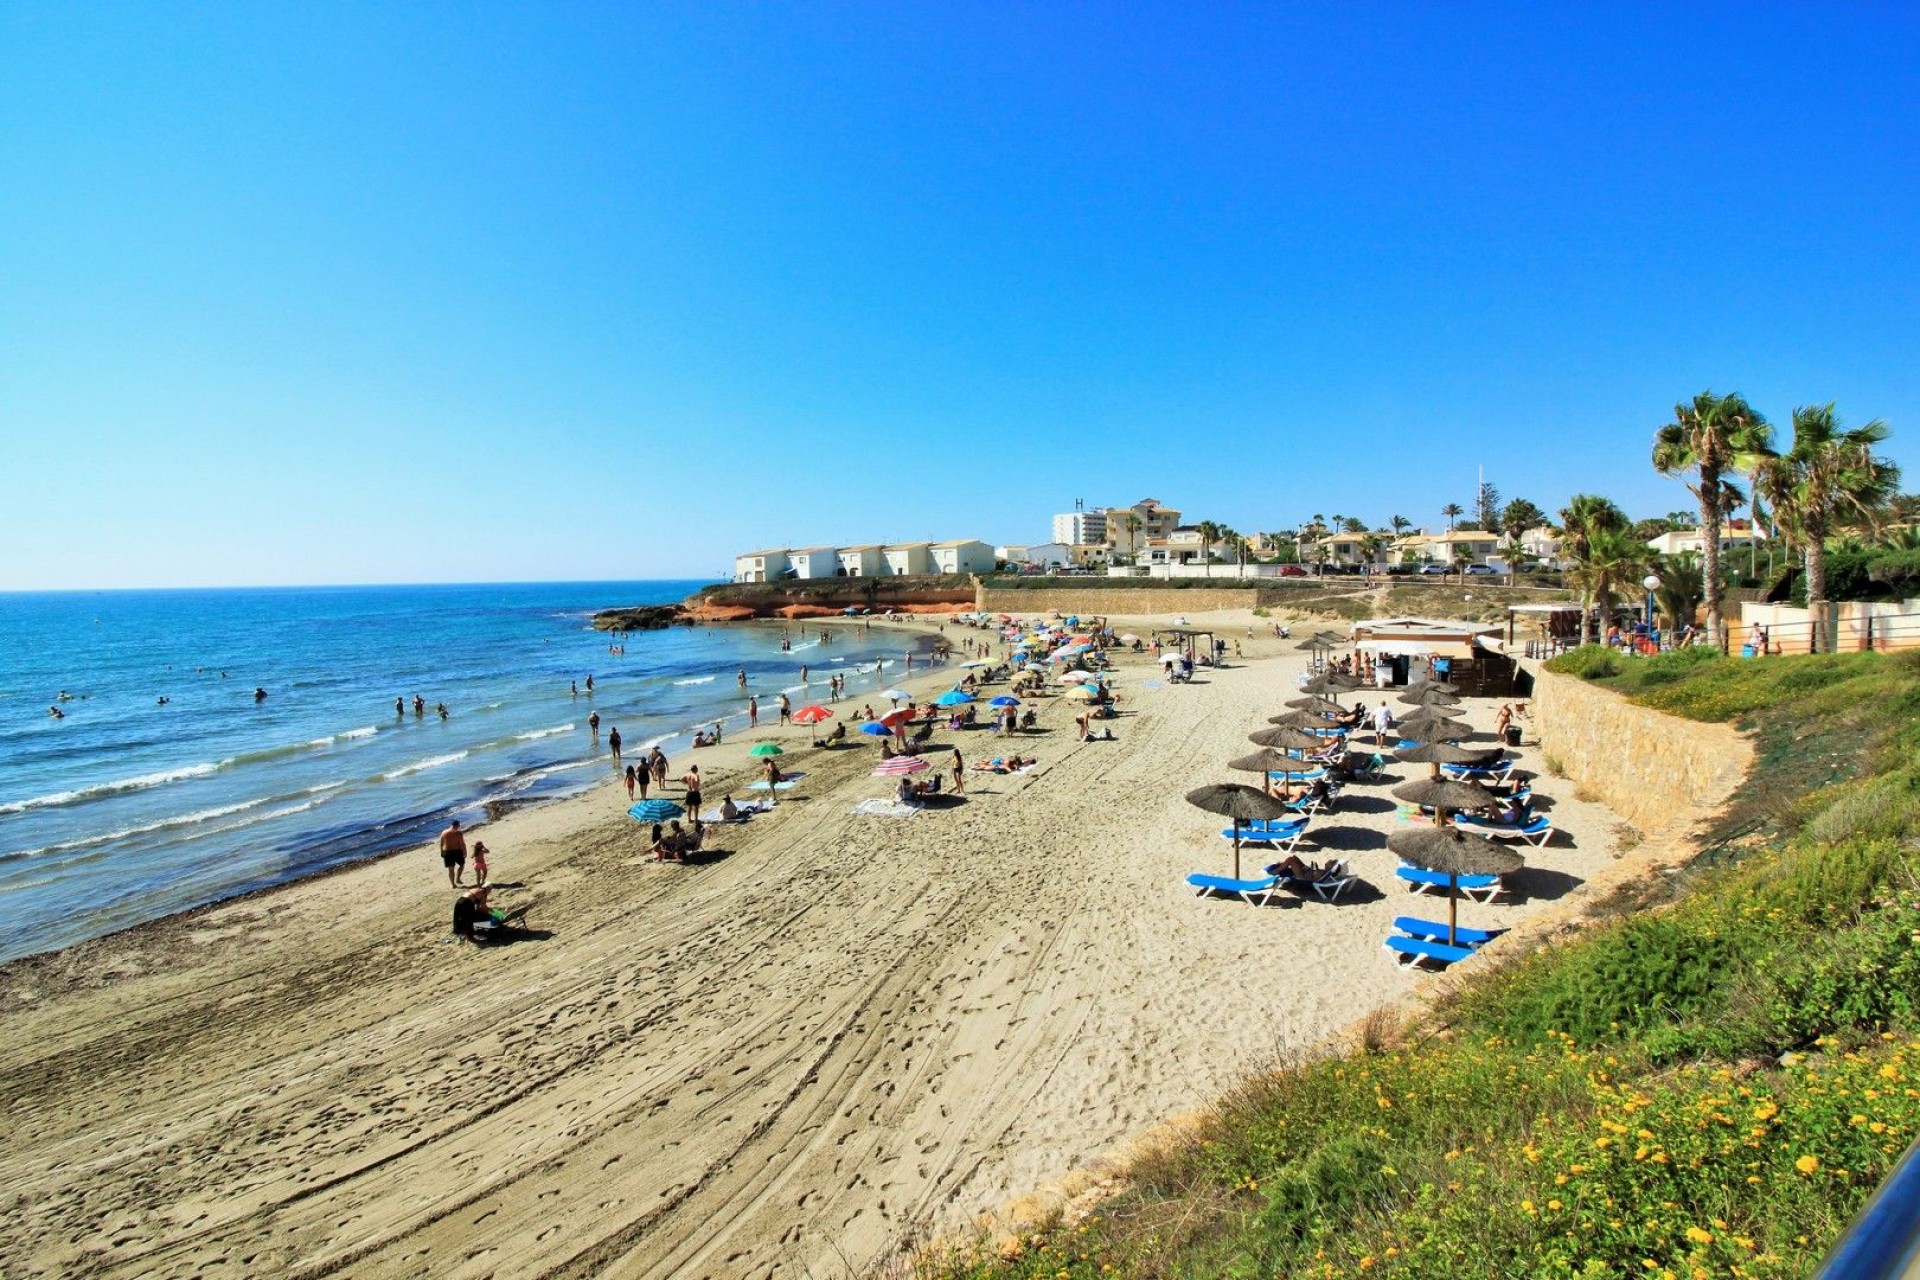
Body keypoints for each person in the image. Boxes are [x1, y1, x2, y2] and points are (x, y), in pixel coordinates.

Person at [438, 819, 468, 888]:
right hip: (456, 851)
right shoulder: (458, 833)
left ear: (451, 825)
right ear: (458, 825)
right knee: (461, 865)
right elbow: (462, 844)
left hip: (447, 852)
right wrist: (465, 852)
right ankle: (457, 879)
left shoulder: (444, 832)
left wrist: (441, 852)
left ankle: (453, 884)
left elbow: (441, 844)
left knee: (451, 869)